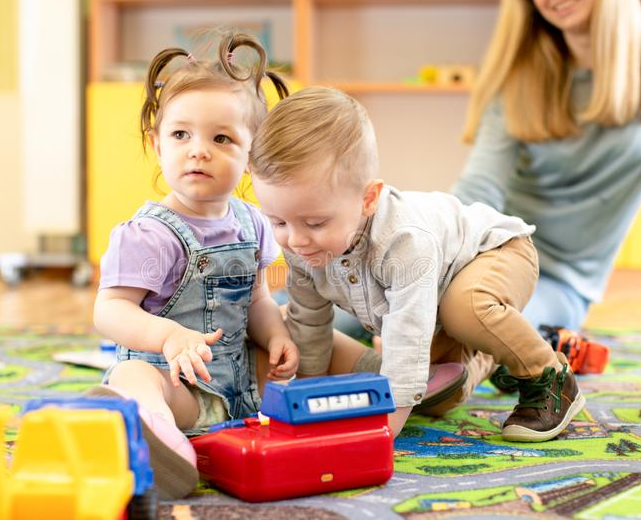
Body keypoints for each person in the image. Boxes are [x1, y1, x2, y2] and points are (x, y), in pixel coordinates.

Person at [249, 86, 586, 442]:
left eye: (315, 223)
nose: (296, 240)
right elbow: (309, 325)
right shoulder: (302, 246)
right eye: (278, 222)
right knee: (435, 394)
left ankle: (549, 375)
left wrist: (383, 433)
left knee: (463, 310)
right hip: (439, 293)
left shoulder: (403, 242)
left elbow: (406, 341)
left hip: (498, 250)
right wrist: (305, 404)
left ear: (368, 199)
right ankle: (493, 356)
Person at [92, 33, 299, 499]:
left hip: (242, 388)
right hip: (179, 387)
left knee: (301, 329)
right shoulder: (149, 234)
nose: (198, 150)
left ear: (253, 155)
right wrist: (168, 337)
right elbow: (108, 312)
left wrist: (276, 336)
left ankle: (385, 382)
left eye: (221, 138)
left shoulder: (253, 222)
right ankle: (155, 435)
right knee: (132, 376)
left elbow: (259, 301)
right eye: (180, 134)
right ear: (158, 144)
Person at [453, 0, 641, 330]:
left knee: (475, 318)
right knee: (365, 305)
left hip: (561, 285)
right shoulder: (520, 63)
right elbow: (480, 187)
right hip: (488, 257)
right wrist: (427, 272)